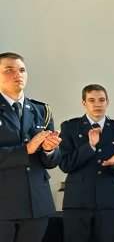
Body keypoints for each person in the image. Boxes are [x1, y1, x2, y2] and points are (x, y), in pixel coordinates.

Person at [0, 52, 62, 242]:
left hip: (36, 203)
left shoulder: (42, 110)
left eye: (22, 70)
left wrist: (50, 150)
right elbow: (26, 150)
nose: (17, 75)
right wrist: (25, 149)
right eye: (9, 70)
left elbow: (50, 162)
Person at [59, 84, 114, 242]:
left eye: (101, 100)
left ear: (107, 102)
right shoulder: (70, 127)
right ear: (84, 103)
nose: (97, 104)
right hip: (77, 201)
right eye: (92, 100)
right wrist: (89, 147)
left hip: (108, 201)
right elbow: (65, 164)